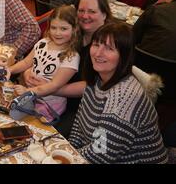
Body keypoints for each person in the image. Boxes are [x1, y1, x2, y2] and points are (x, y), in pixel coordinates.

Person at [68, 22, 168, 164]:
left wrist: (69, 156)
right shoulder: (97, 79)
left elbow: (100, 154)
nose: (97, 53)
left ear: (124, 55)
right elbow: (79, 125)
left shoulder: (125, 98)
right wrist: (68, 149)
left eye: (109, 48)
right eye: (96, 44)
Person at [25, 0, 112, 137]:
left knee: (41, 135)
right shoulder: (72, 35)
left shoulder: (107, 44)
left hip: (83, 108)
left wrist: (50, 88)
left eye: (92, 11)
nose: (85, 16)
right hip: (48, 96)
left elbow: (95, 86)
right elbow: (41, 56)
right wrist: (29, 71)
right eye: (81, 11)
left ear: (104, 14)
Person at [9, 6, 80, 124]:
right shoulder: (43, 43)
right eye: (54, 27)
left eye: (63, 29)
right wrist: (9, 70)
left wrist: (28, 92)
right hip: (30, 96)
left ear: (74, 29)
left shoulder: (71, 56)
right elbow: (26, 62)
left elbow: (54, 85)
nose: (57, 33)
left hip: (48, 106)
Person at [134, 0, 176, 147]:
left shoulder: (156, 10)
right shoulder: (157, 10)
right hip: (171, 91)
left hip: (140, 77)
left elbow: (132, 37)